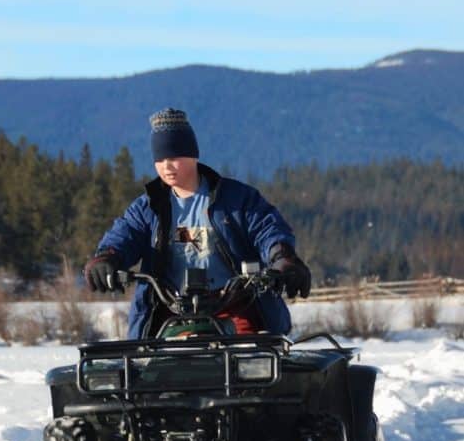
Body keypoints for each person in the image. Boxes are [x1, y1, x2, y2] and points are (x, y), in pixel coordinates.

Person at [84, 107, 311, 337]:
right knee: (154, 358)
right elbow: (125, 235)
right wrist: (107, 258)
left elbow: (267, 229)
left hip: (234, 304)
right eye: (159, 159)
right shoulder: (148, 207)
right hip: (170, 309)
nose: (166, 166)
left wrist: (282, 258)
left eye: (173, 157)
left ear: (193, 155)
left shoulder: (236, 199)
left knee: (251, 351)